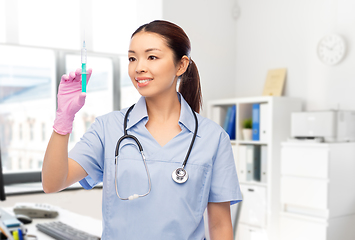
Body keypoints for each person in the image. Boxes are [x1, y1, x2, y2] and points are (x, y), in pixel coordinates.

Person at [42, 20, 242, 240]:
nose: (138, 67)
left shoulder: (213, 138)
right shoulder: (108, 128)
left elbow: (220, 226)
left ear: (181, 65)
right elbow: (53, 183)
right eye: (132, 58)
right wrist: (63, 118)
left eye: (152, 57)